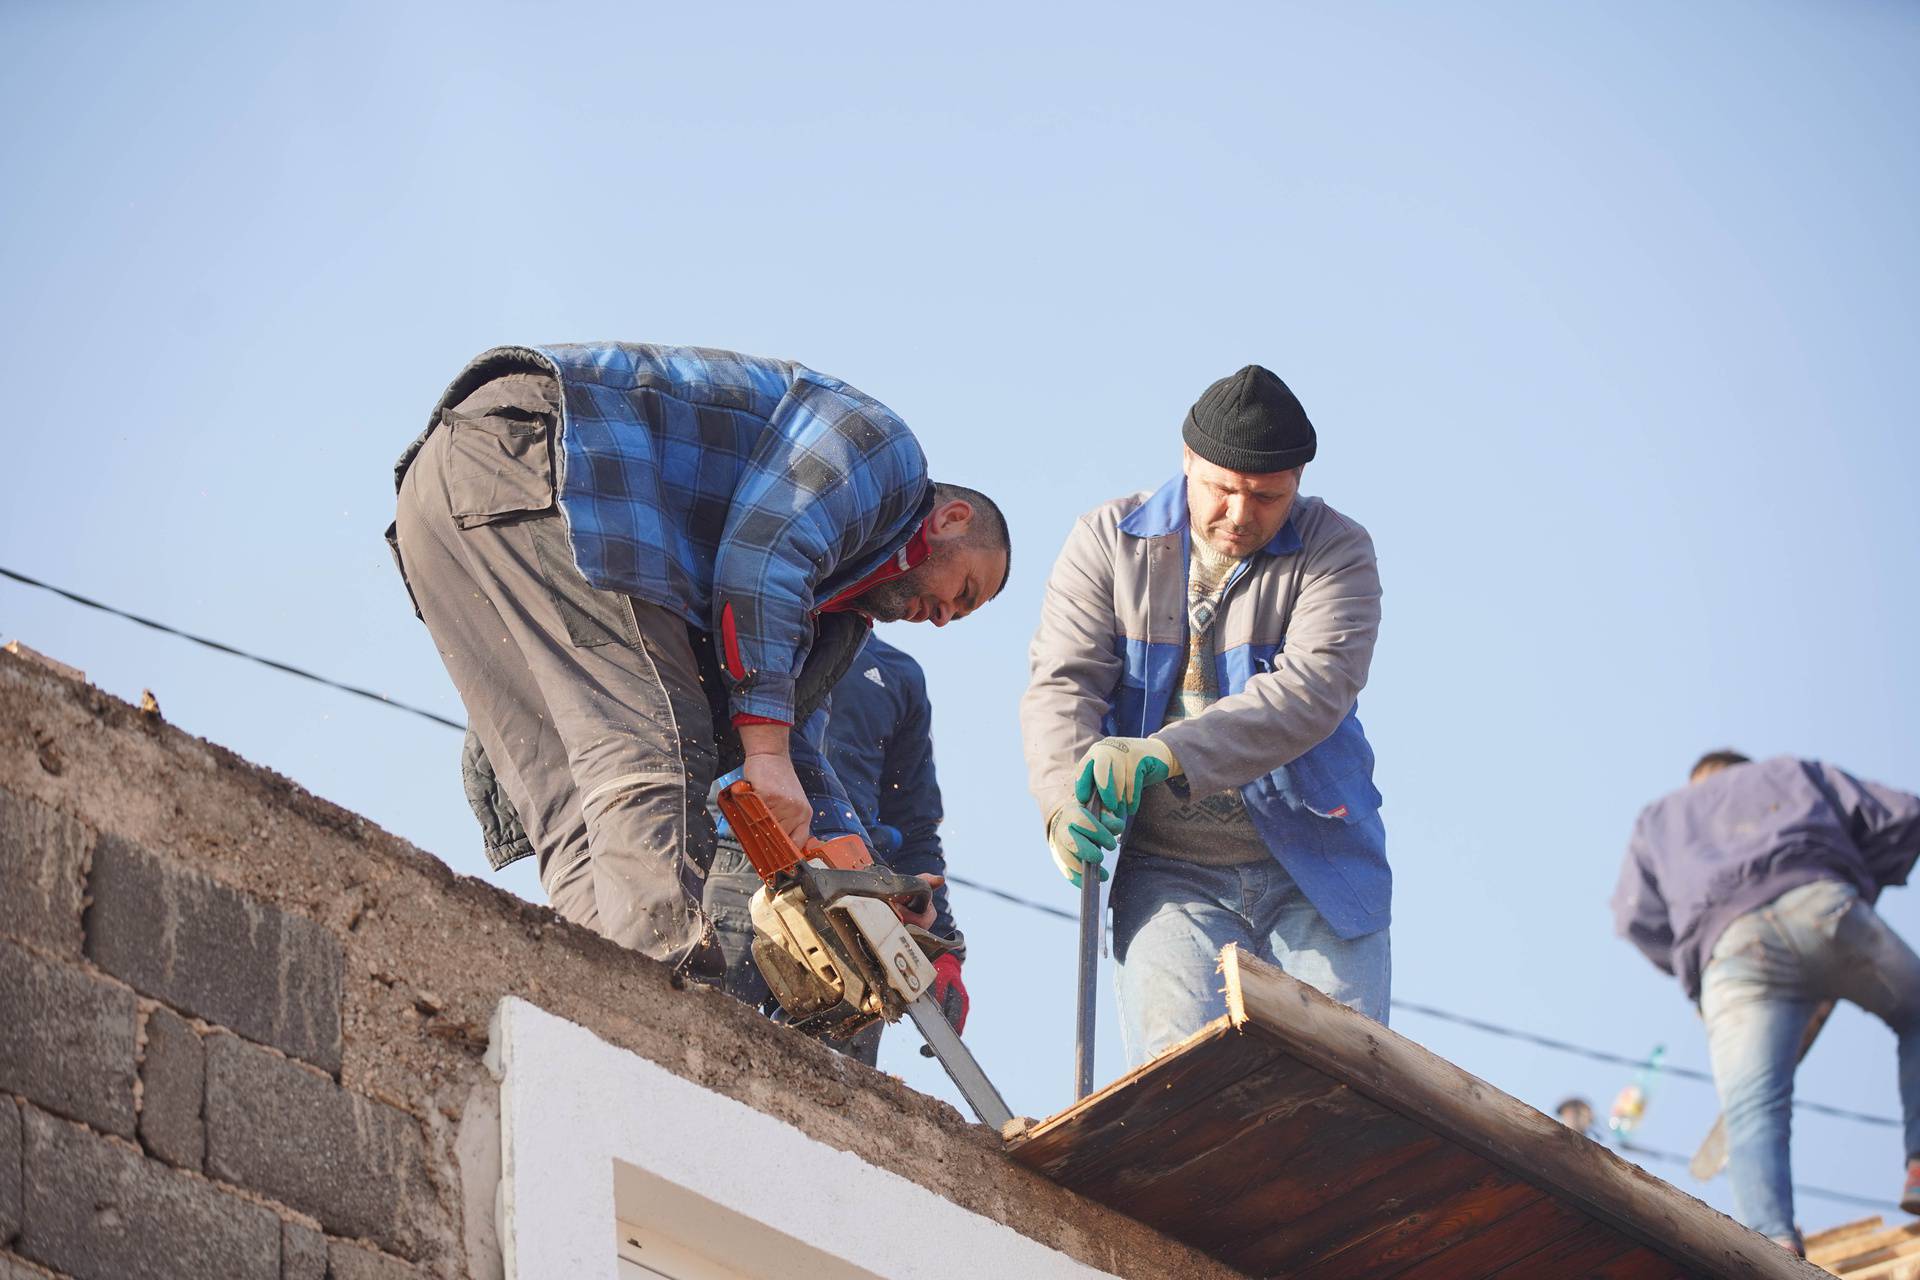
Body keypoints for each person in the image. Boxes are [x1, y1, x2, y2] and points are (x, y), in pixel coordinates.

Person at [389, 343, 1009, 977]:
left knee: (574, 798)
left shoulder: (834, 616)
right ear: (952, 520)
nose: (942, 618)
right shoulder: (887, 457)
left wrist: (864, 878)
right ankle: (659, 1005)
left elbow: (777, 749)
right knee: (652, 744)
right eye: (961, 593)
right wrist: (767, 756)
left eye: (956, 618)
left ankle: (597, 1007)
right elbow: (765, 557)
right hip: (549, 456)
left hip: (445, 500)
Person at [1020, 364, 1389, 1066]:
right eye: (1222, 488)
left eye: (1267, 496)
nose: (1241, 515)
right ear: (1187, 459)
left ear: (1299, 483)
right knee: (1177, 1085)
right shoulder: (1107, 541)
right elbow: (1062, 688)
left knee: (1341, 1090)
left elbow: (1312, 689)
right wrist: (1064, 803)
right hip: (1169, 876)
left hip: (1317, 874)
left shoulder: (1337, 553)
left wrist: (1168, 752)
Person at [1613, 750, 1920, 1255]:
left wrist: (1693, 965)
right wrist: (1861, 877)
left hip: (1729, 954)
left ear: (1696, 780)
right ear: (1742, 767)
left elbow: (1635, 919)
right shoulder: (1790, 772)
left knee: (1751, 1108)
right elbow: (1902, 816)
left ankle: (1773, 1245)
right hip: (1820, 903)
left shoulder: (1658, 819)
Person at [704, 633, 966, 1065]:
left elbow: (915, 826)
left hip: (859, 894)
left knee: (835, 1085)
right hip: (748, 853)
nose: (940, 618)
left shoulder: (897, 674)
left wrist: (942, 950)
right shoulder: (774, 629)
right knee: (710, 1040)